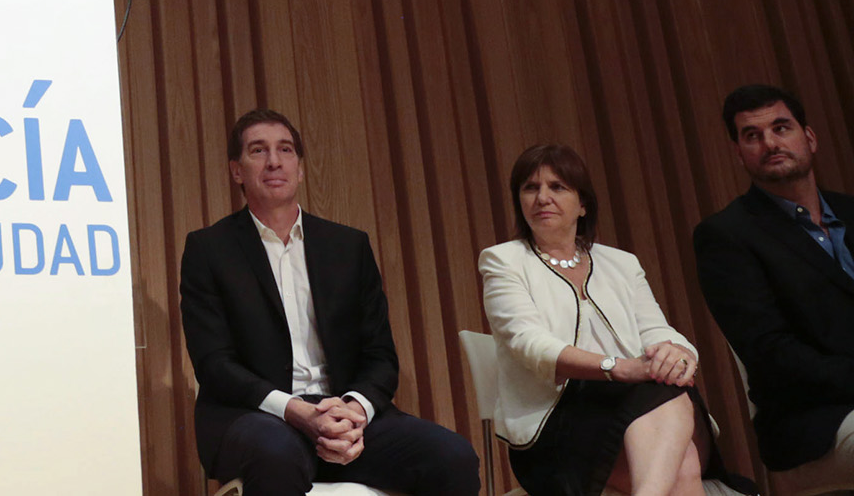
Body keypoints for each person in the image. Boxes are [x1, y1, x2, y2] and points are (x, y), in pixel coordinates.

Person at [180, 108, 479, 496]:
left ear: (301, 169)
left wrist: (354, 410)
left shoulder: (348, 246)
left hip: (343, 415)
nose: (274, 161)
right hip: (258, 417)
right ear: (237, 171)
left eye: (285, 149)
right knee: (277, 454)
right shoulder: (209, 249)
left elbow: (380, 356)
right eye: (258, 150)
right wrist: (297, 411)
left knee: (453, 456)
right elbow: (214, 364)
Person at [480, 142, 746, 496]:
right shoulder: (503, 261)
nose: (542, 197)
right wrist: (617, 368)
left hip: (642, 408)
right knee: (682, 464)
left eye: (557, 187)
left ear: (583, 204)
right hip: (557, 426)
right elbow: (528, 343)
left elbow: (656, 330)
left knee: (666, 389)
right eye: (531, 188)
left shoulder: (622, 263)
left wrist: (680, 355)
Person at [695, 82, 854, 490]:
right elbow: (772, 355)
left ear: (810, 137)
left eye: (781, 128)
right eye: (752, 135)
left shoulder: (851, 210)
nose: (769, 143)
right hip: (816, 420)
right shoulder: (726, 236)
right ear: (739, 153)